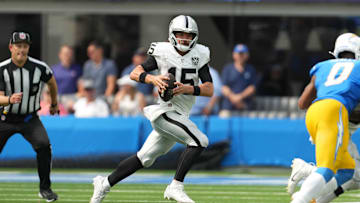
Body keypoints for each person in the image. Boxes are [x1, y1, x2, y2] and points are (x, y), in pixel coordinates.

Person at [90, 15, 214, 203]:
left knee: (144, 158)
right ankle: (175, 186)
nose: (184, 38)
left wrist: (186, 88)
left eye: (188, 35)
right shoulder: (162, 51)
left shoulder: (200, 54)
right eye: (180, 34)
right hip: (165, 112)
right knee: (199, 140)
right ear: (172, 34)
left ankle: (105, 183)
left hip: (180, 114)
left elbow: (209, 89)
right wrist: (153, 79)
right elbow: (135, 73)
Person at [291, 33, 360, 203]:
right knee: (328, 169)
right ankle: (301, 195)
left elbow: (302, 103)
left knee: (348, 171)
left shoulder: (322, 66)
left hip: (314, 114)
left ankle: (312, 197)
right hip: (334, 113)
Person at [0, 32, 59, 202]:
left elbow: (52, 82)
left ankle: (45, 188)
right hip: (5, 118)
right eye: (18, 46)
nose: (21, 49)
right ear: (11, 47)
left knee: (43, 146)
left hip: (29, 119)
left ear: (28, 48)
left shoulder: (39, 68)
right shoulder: (2, 69)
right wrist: (9, 100)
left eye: (25, 46)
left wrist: (54, 103)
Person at [287, 106, 360, 203]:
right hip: (331, 126)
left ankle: (313, 200)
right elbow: (302, 103)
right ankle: (307, 171)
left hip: (329, 123)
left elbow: (302, 103)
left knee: (350, 177)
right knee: (353, 176)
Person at [220, 44, 257, 117]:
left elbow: (252, 88)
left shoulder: (251, 70)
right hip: (228, 107)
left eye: (243, 54)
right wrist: (234, 98)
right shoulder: (227, 69)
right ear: (234, 55)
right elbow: (224, 88)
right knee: (222, 120)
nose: (241, 56)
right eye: (239, 54)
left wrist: (240, 97)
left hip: (245, 106)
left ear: (247, 55)